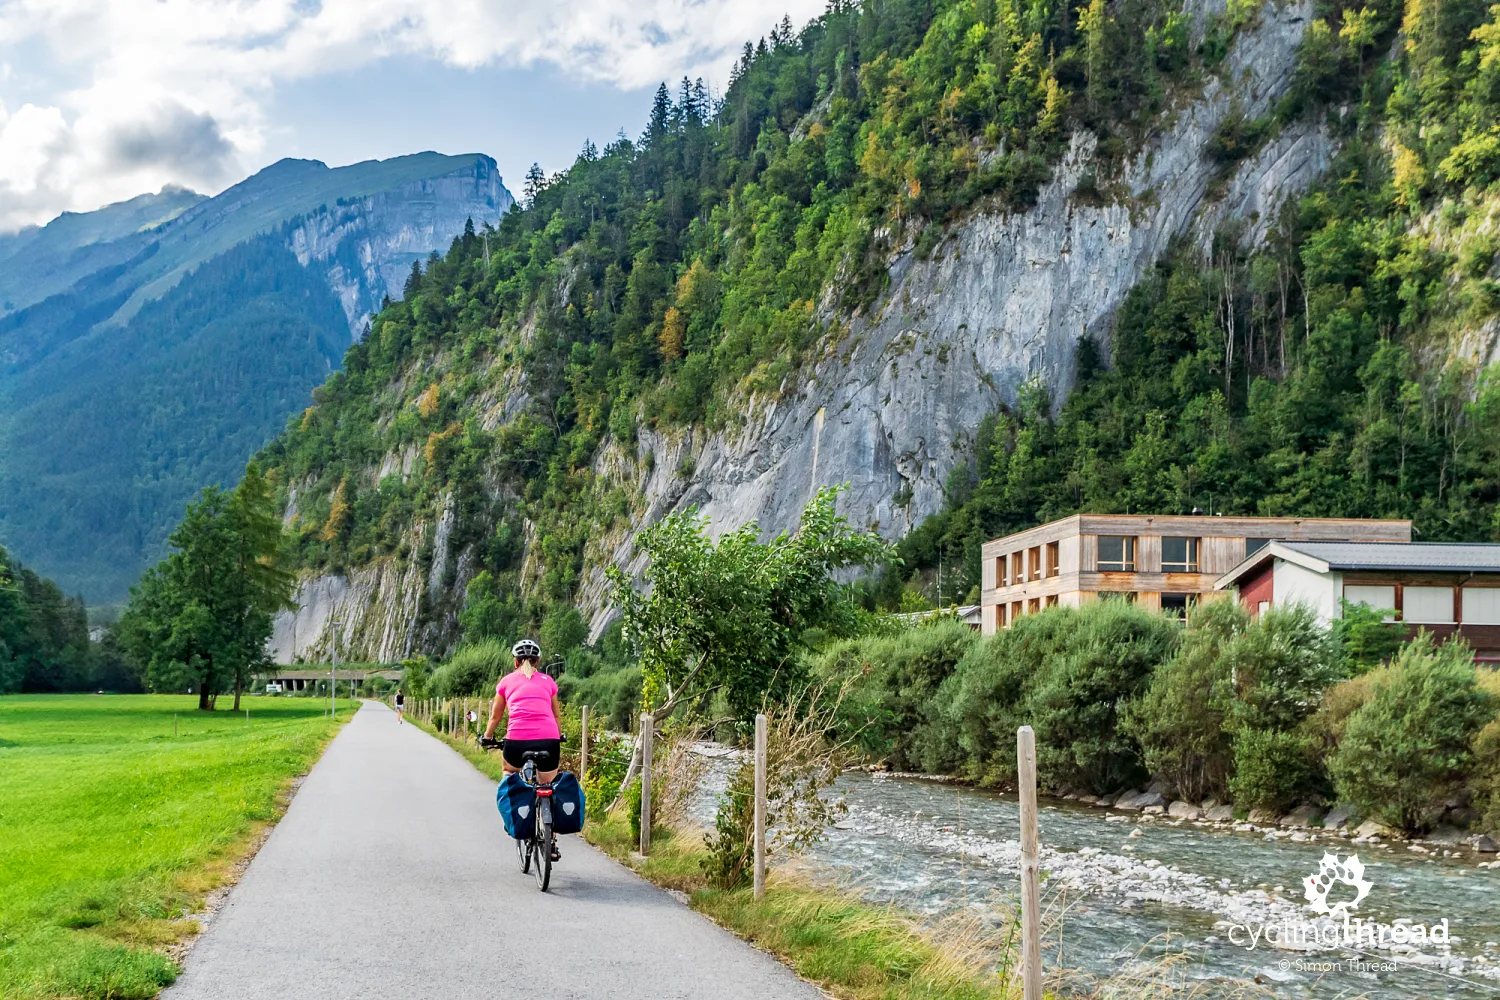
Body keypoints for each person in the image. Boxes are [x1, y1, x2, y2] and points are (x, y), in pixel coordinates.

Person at [482, 639, 564, 859]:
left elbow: (495, 717)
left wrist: (487, 738)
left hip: (516, 742)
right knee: (549, 785)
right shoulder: (548, 681)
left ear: (516, 662)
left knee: (509, 773)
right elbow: (556, 716)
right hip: (549, 741)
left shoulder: (506, 682)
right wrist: (558, 736)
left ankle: (515, 816)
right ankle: (551, 842)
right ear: (537, 661)